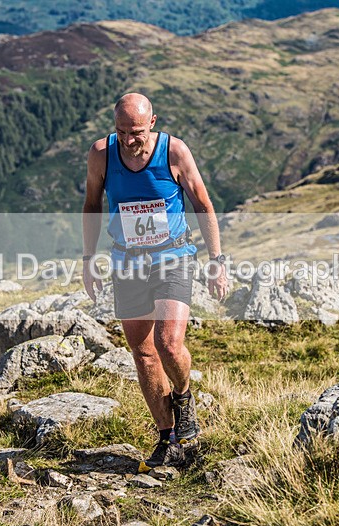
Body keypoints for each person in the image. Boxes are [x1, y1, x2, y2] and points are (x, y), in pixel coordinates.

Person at [82, 93, 229, 469]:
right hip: (126, 261)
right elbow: (91, 205)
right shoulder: (102, 154)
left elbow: (202, 204)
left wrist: (217, 260)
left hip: (173, 256)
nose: (129, 140)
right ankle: (168, 437)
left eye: (136, 132)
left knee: (167, 342)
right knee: (144, 355)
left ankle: (183, 396)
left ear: (153, 122)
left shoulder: (174, 152)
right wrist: (88, 259)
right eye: (121, 131)